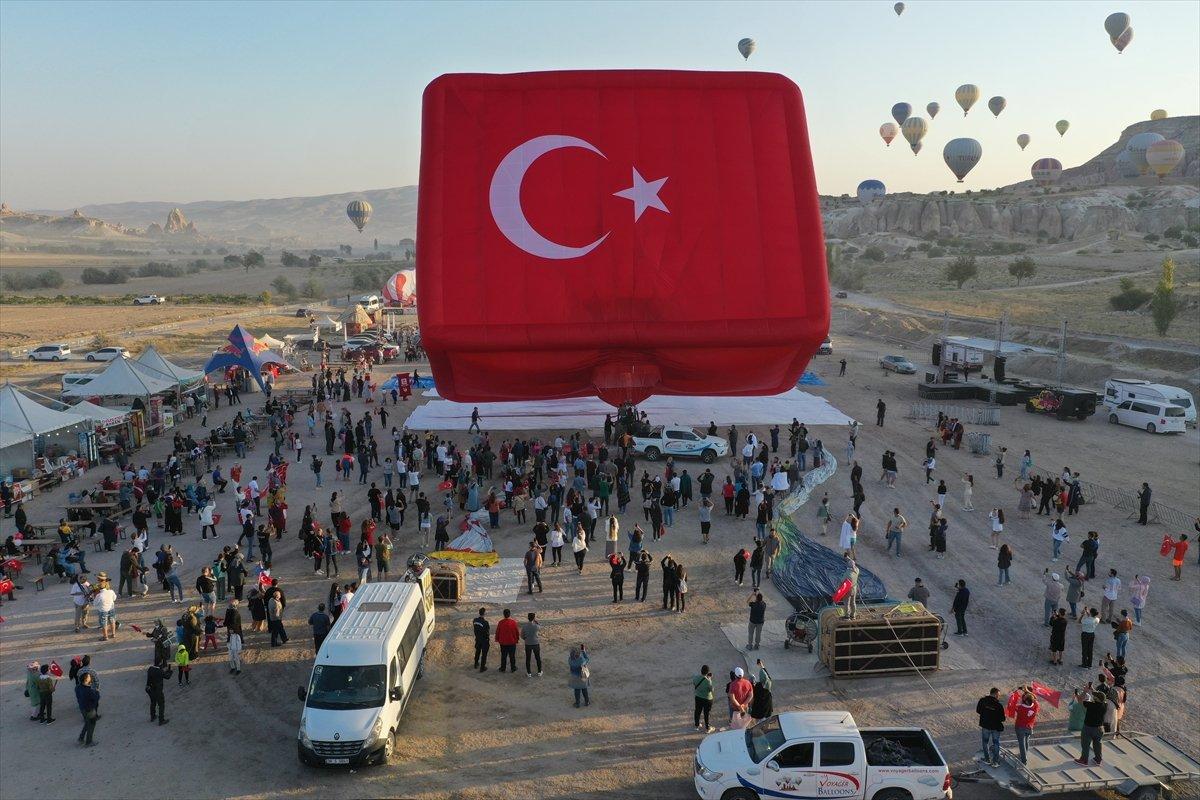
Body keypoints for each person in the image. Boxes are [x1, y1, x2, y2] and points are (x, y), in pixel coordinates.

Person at [1073, 688, 1107, 766]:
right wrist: (1091, 688)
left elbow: (1079, 700)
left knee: (1085, 744)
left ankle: (1084, 760)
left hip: (1088, 728)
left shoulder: (1090, 705)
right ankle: (1098, 759)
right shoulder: (1104, 705)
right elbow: (1100, 697)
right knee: (1097, 744)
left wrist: (1083, 691)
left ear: (1096, 699)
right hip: (1100, 728)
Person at [975, 688, 1005, 767]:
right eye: (998, 695)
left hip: (985, 726)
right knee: (996, 743)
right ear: (995, 694)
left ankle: (987, 759)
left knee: (985, 742)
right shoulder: (998, 705)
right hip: (995, 727)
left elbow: (978, 710)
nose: (999, 696)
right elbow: (1003, 719)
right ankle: (995, 761)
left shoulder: (982, 700)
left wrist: (985, 714)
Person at [1013, 690, 1039, 764]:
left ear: (1026, 701)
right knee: (1026, 742)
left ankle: (1024, 760)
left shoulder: (1020, 708)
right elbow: (1035, 699)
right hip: (1029, 727)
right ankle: (1024, 755)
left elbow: (1013, 706)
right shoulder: (1035, 706)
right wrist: (1027, 691)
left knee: (1021, 743)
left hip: (1020, 728)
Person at [75, 672, 100, 745]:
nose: (90, 677)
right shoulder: (89, 691)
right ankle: (89, 741)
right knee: (91, 724)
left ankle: (81, 737)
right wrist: (97, 692)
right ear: (86, 680)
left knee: (87, 722)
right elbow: (95, 699)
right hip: (89, 709)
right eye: (89, 677)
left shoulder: (77, 687)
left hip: (82, 708)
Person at [495, 608, 519, 673]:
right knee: (512, 656)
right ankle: (513, 668)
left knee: (503, 656)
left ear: (503, 615)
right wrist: (517, 639)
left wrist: (497, 639)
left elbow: (497, 632)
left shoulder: (500, 622)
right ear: (509, 614)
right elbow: (517, 632)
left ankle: (503, 668)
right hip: (512, 642)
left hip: (503, 643)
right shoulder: (513, 622)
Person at [693, 665, 715, 732]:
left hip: (698, 697)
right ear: (708, 672)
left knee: (697, 711)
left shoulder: (696, 677)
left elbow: (694, 683)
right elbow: (711, 690)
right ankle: (707, 728)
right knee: (706, 713)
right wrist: (710, 679)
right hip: (707, 699)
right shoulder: (708, 681)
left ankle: (697, 725)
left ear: (701, 671)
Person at [146, 660, 168, 725]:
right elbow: (167, 677)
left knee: (153, 702)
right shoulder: (160, 671)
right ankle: (161, 720)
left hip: (149, 689)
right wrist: (170, 671)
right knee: (161, 704)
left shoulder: (150, 668)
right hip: (157, 690)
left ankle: (153, 716)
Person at [520, 612, 542, 677]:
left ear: (528, 618)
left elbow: (522, 636)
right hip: (536, 643)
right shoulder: (536, 626)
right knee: (537, 657)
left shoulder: (524, 626)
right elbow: (540, 627)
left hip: (528, 644)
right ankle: (539, 672)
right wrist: (536, 621)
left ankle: (529, 673)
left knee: (528, 658)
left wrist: (526, 639)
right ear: (534, 618)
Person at [841, 554, 860, 619]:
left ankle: (847, 616)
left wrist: (838, 591)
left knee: (847, 603)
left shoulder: (847, 574)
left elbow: (842, 583)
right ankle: (853, 615)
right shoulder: (857, 570)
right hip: (854, 589)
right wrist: (848, 558)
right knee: (853, 602)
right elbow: (853, 564)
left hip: (848, 590)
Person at [472, 607, 490, 672]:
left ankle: (476, 663)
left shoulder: (475, 620)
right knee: (484, 654)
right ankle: (482, 667)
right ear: (484, 614)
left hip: (477, 638)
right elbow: (487, 632)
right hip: (484, 640)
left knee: (477, 651)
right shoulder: (485, 623)